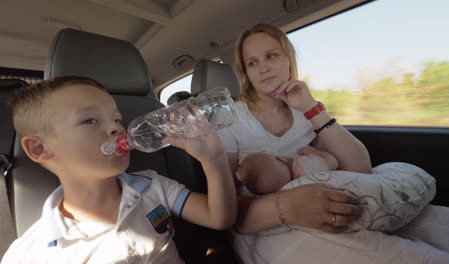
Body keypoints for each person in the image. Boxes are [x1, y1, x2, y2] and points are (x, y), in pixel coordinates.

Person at [2, 76, 237, 263]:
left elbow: (218, 218)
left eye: (117, 119)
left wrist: (214, 160)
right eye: (90, 121)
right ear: (40, 148)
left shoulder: (153, 185)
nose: (116, 128)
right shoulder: (33, 252)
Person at [217, 23, 372, 235]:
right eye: (252, 63)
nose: (263, 68)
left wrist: (310, 107)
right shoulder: (230, 118)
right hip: (265, 225)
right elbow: (225, 203)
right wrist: (289, 208)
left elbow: (361, 168)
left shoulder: (306, 109)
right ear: (247, 74)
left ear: (289, 60)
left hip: (325, 209)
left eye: (271, 56)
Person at [236, 146, 338, 195]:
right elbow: (333, 162)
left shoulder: (285, 196)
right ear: (281, 159)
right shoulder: (305, 166)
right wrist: (312, 152)